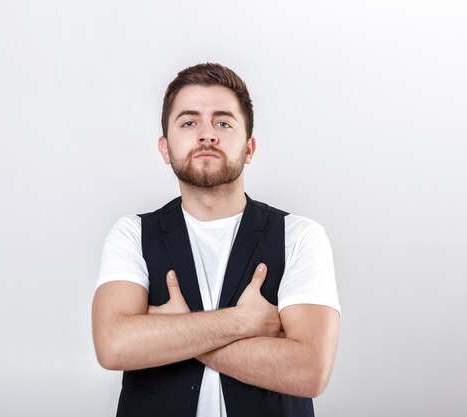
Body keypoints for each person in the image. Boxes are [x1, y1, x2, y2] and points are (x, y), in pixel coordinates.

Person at [92, 62, 341, 417]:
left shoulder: (299, 236)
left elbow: (310, 371)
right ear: (165, 148)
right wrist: (243, 323)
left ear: (249, 148)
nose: (207, 135)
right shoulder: (132, 234)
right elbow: (114, 346)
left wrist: (169, 332)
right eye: (189, 122)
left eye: (223, 122)